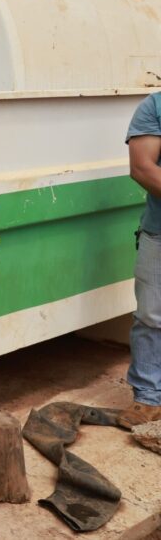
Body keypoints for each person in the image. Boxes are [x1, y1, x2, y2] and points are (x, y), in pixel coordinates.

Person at [122, 96, 161, 428]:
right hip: (158, 232)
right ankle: (149, 397)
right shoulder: (156, 107)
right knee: (151, 315)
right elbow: (142, 167)